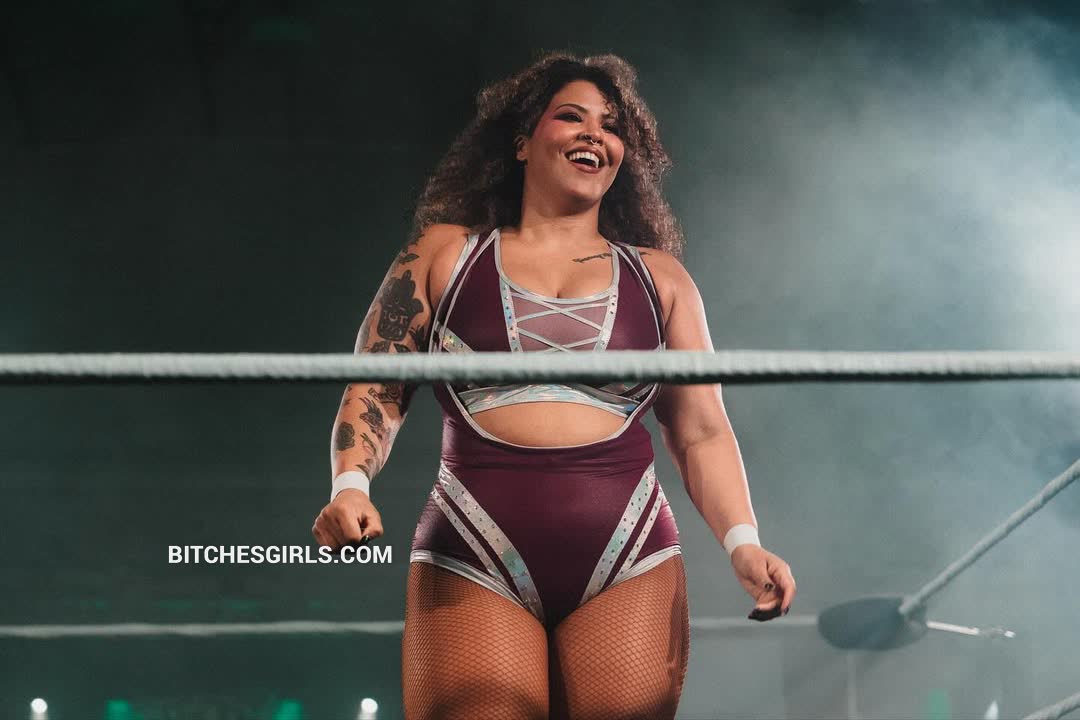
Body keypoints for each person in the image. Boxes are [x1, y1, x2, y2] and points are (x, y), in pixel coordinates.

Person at [312, 52, 797, 720]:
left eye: (611, 125)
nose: (595, 133)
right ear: (521, 141)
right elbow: (375, 387)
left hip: (628, 552)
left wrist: (743, 542)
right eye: (572, 116)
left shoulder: (662, 280)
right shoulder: (444, 253)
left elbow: (701, 431)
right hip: (473, 544)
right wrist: (349, 486)